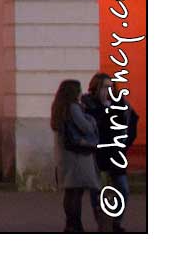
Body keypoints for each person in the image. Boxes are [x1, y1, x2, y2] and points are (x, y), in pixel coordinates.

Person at [85, 73, 139, 233]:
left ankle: (116, 222)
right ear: (96, 88)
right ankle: (103, 222)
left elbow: (132, 122)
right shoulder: (90, 105)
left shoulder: (120, 104)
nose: (107, 90)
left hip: (116, 153)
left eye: (110, 86)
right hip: (98, 153)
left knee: (122, 188)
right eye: (104, 87)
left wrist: (125, 143)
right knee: (97, 190)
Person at [51, 78, 97, 232]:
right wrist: (91, 120)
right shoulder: (73, 107)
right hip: (77, 155)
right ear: (74, 92)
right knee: (76, 192)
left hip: (65, 155)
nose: (81, 93)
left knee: (70, 192)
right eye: (79, 90)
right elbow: (85, 127)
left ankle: (70, 223)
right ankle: (75, 224)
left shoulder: (59, 107)